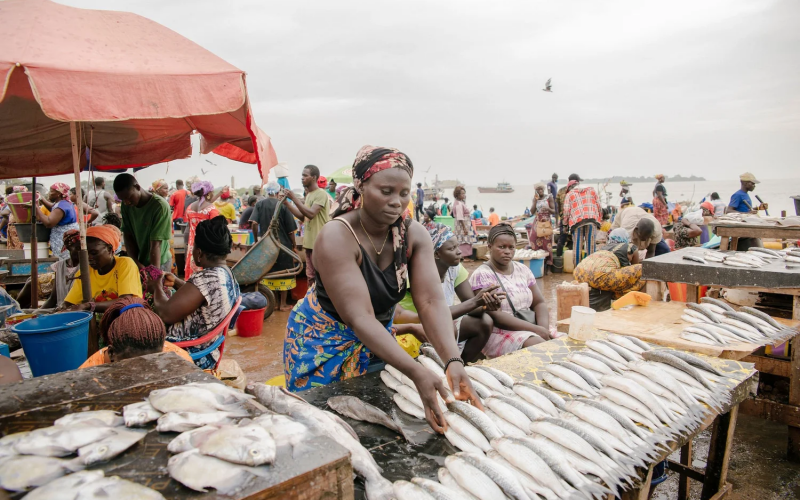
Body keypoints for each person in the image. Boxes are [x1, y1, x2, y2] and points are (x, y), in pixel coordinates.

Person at [284, 145, 481, 433]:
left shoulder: (414, 235)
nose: (397, 202)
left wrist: (452, 359)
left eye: (404, 193)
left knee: (378, 421)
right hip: (323, 344)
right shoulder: (337, 236)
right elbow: (360, 317)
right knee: (327, 428)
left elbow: (429, 302)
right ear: (361, 185)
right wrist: (415, 371)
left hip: (377, 339)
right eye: (386, 191)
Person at [397, 224, 502, 362]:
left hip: (444, 320)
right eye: (452, 249)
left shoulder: (455, 269)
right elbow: (432, 314)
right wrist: (475, 302)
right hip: (417, 322)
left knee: (484, 322)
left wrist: (485, 304)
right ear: (436, 254)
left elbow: (472, 306)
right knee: (447, 328)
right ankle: (445, 365)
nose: (459, 252)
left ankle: (462, 364)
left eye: (457, 247)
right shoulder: (416, 273)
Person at [148, 216, 241, 369]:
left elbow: (165, 313)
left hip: (190, 353)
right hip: (210, 348)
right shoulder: (226, 274)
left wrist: (156, 285)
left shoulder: (206, 278)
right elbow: (202, 296)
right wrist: (178, 282)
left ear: (198, 253)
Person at [469, 224, 551, 358]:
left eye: (511, 247)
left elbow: (539, 303)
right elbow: (497, 316)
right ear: (489, 247)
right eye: (502, 247)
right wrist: (536, 330)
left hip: (531, 326)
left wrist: (543, 329)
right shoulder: (482, 275)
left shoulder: (522, 269)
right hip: (501, 333)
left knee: (562, 342)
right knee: (540, 348)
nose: (507, 251)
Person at [79, 296, 193, 368]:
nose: (146, 373)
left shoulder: (179, 360)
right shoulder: (91, 371)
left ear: (163, 347)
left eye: (155, 362)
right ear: (112, 354)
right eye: (134, 367)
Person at [62, 225, 143, 313]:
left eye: (94, 253)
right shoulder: (85, 271)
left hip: (126, 320)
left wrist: (88, 306)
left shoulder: (125, 264)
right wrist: (61, 310)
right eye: (86, 253)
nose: (89, 258)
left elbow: (126, 301)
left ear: (109, 249)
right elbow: (69, 303)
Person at [251, 182, 298, 311]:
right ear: (278, 193)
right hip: (283, 245)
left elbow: (254, 223)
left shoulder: (260, 204)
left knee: (270, 273)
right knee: (285, 273)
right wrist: (294, 246)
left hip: (266, 245)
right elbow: (290, 230)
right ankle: (282, 304)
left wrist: (256, 240)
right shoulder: (282, 205)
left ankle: (274, 302)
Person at [114, 174, 173, 272]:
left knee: (157, 286)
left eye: (129, 197)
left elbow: (156, 245)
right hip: (140, 260)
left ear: (137, 187)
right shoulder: (126, 205)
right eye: (123, 199)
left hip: (159, 262)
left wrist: (155, 274)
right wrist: (136, 263)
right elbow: (128, 235)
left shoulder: (160, 207)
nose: (126, 202)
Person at [573, 229, 643, 312]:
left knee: (609, 279)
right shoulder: (629, 247)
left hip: (579, 273)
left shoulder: (603, 248)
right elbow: (632, 273)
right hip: (601, 275)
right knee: (643, 269)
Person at [284, 165, 331, 286]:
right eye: (302, 175)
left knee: (320, 277)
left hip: (319, 243)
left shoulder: (321, 194)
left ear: (314, 177)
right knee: (310, 277)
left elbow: (311, 214)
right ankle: (312, 302)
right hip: (309, 243)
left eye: (305, 175)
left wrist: (294, 198)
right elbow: (303, 217)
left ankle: (320, 303)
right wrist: (287, 204)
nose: (302, 178)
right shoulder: (309, 195)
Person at [183, 181, 220, 279]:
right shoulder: (212, 209)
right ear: (208, 193)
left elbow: (189, 224)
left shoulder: (190, 208)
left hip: (193, 247)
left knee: (193, 275)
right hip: (206, 248)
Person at [33, 183, 80, 260]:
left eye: (51, 192)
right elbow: (53, 208)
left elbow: (49, 223)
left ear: (59, 193)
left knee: (64, 261)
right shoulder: (64, 203)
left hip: (62, 239)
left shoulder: (61, 207)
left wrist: (36, 209)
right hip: (67, 237)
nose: (49, 193)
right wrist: (41, 198)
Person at [563, 179, 602, 268]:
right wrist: (599, 220)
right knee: (591, 247)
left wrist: (565, 224)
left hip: (577, 222)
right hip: (592, 220)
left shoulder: (570, 194)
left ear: (569, 188)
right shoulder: (592, 191)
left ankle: (577, 268)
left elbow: (566, 211)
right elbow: (599, 207)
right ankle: (591, 269)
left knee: (577, 246)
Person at [529, 182, 554, 271]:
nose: (540, 191)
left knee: (546, 242)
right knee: (533, 239)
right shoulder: (535, 199)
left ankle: (548, 264)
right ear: (536, 191)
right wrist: (535, 202)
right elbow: (531, 212)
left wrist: (547, 209)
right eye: (538, 190)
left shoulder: (549, 197)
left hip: (546, 220)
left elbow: (554, 210)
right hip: (537, 221)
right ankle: (538, 260)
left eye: (541, 189)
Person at [555, 173, 580, 255]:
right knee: (574, 238)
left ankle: (559, 258)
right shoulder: (577, 191)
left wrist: (560, 215)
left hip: (563, 218)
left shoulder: (561, 190)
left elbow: (557, 205)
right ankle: (573, 257)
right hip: (574, 219)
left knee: (562, 238)